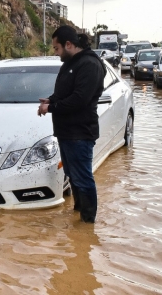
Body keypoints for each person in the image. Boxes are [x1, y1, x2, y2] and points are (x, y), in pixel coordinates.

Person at [37, 25, 106, 223]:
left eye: (57, 48)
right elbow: (62, 93)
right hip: (66, 132)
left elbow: (79, 100)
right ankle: (78, 213)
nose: (55, 52)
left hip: (80, 133)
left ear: (69, 44)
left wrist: (50, 108)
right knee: (72, 175)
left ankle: (87, 224)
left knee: (83, 178)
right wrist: (50, 100)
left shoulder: (89, 65)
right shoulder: (70, 63)